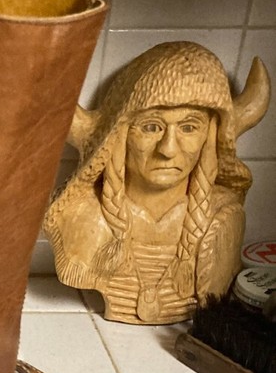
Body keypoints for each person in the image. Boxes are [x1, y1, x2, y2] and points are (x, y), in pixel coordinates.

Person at [44, 42, 270, 323]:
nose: (168, 149)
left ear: (210, 137)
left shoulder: (223, 220)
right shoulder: (83, 216)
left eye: (189, 127)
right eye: (151, 127)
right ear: (119, 134)